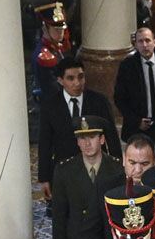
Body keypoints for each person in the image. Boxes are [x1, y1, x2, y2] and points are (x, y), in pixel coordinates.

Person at [52, 116, 125, 239]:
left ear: (101, 139)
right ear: (77, 141)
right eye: (82, 138)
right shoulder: (64, 170)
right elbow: (59, 213)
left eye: (92, 137)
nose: (87, 143)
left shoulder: (117, 168)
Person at [38, 57, 115, 200]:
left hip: (97, 169)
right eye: (71, 78)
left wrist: (117, 169)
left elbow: (112, 138)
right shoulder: (50, 106)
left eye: (81, 77)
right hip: (64, 170)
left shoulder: (99, 102)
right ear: (60, 80)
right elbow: (45, 143)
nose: (77, 83)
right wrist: (44, 178)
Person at [114, 28, 155, 159]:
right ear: (135, 44)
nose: (144, 45)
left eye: (147, 40)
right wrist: (136, 121)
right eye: (140, 41)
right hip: (138, 128)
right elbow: (120, 98)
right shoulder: (127, 66)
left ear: (154, 42)